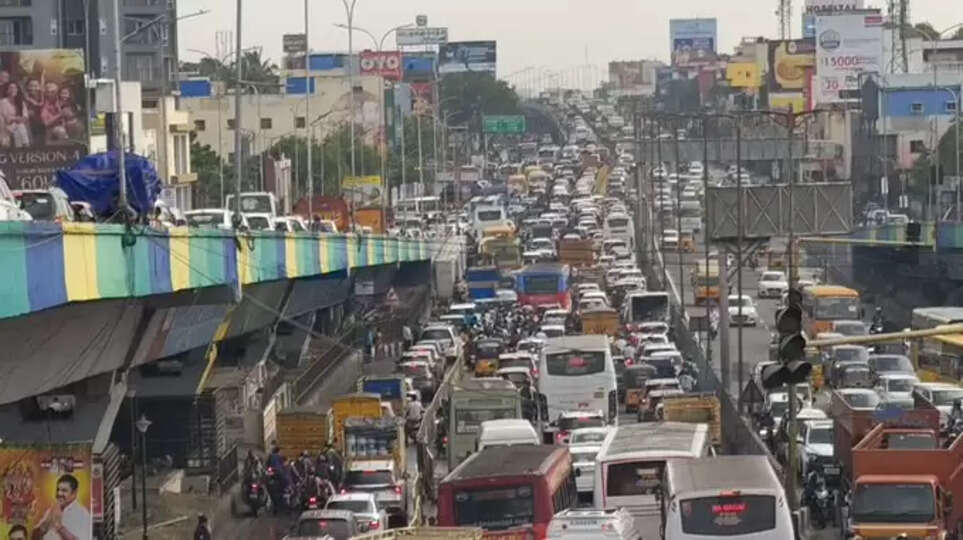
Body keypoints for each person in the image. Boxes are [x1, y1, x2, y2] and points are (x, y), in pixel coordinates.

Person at [32, 474, 91, 540]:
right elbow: (34, 536)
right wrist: (46, 523)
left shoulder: (82, 514)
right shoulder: (52, 510)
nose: (59, 493)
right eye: (58, 489)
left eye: (64, 490)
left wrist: (59, 526)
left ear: (74, 493)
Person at [0, 82, 29, 148]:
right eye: (11, 88)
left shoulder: (21, 102)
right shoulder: (3, 102)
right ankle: (25, 146)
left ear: (17, 90)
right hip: (5, 127)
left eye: (15, 88)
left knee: (20, 128)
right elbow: (7, 119)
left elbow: (25, 118)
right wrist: (17, 118)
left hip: (17, 127)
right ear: (7, 90)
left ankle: (23, 148)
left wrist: (15, 119)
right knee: (20, 127)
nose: (13, 89)